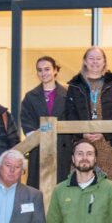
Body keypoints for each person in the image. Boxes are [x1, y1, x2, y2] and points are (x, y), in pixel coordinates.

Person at [65, 46, 112, 181]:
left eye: (98, 58)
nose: (95, 62)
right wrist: (82, 133)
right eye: (91, 58)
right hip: (84, 142)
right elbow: (70, 113)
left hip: (110, 143)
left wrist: (104, 131)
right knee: (83, 184)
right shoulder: (75, 84)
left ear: (104, 62)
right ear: (85, 61)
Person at [20, 56, 68, 186]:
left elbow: (72, 119)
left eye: (47, 69)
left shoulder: (68, 94)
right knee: (37, 188)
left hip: (62, 149)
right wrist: (36, 136)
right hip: (38, 148)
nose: (43, 73)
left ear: (55, 71)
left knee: (62, 188)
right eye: (39, 70)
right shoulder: (30, 97)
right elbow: (26, 120)